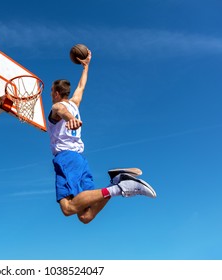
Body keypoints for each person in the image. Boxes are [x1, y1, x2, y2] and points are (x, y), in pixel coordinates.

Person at [47, 49, 156, 224]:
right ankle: (117, 185)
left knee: (67, 208)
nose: (51, 94)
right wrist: (86, 67)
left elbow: (60, 110)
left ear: (57, 94)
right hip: (80, 160)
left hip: (66, 158)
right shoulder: (75, 103)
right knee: (85, 216)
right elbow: (81, 86)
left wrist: (70, 118)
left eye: (51, 91)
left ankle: (120, 186)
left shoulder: (58, 107)